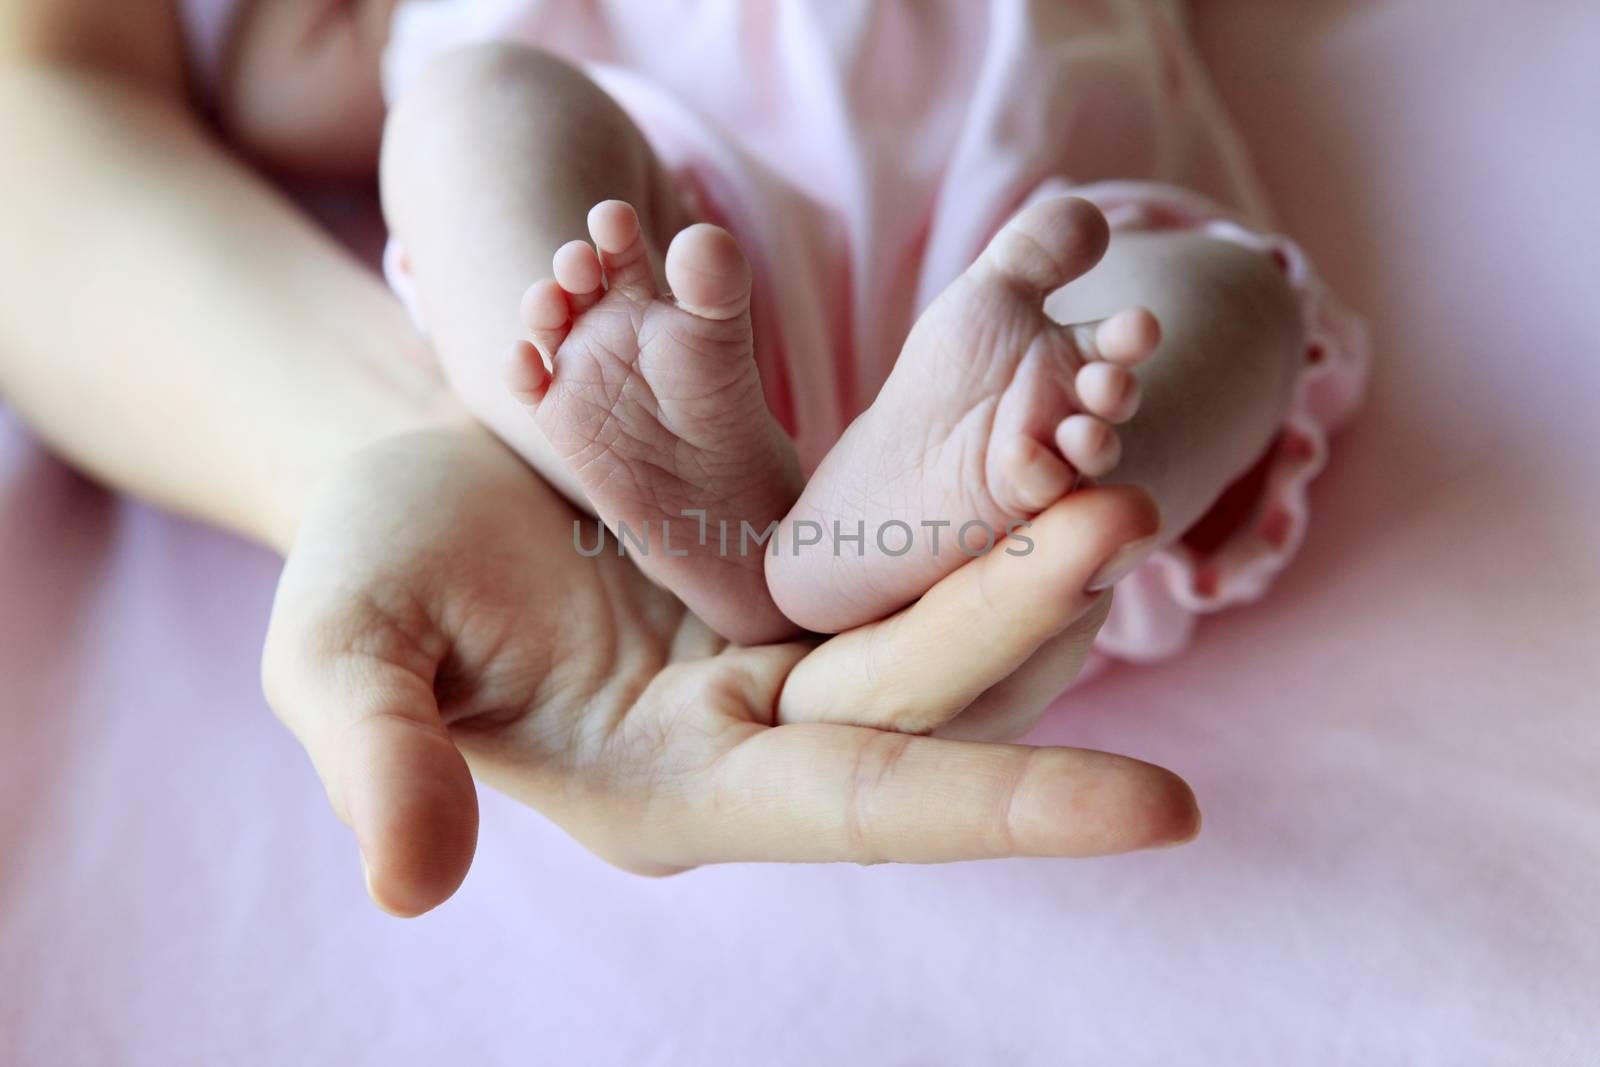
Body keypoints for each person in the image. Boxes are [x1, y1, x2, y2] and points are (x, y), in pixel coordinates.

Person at [0, 0, 1364, 915]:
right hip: (691, 201)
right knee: (485, 105)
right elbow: (266, 74)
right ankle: (660, 455)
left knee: (1220, 302)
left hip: (1019, 258)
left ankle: (898, 502)